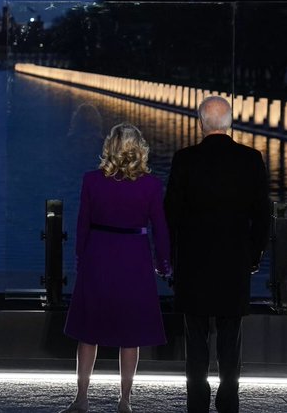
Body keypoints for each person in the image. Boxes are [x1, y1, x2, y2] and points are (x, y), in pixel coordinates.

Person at [164, 96, 271, 413]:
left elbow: (171, 214)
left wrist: (172, 258)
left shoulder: (185, 159)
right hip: (234, 262)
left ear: (200, 123)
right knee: (230, 335)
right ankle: (228, 399)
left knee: (195, 337)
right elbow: (263, 216)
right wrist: (253, 255)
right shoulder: (251, 159)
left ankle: (197, 400)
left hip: (194, 263)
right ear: (230, 123)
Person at [62, 123, 171, 413]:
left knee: (89, 332)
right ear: (139, 148)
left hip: (99, 256)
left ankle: (81, 398)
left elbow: (82, 224)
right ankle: (125, 400)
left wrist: (80, 258)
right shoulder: (151, 185)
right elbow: (160, 229)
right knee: (130, 334)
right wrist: (164, 263)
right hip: (134, 259)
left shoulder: (91, 181)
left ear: (110, 146)